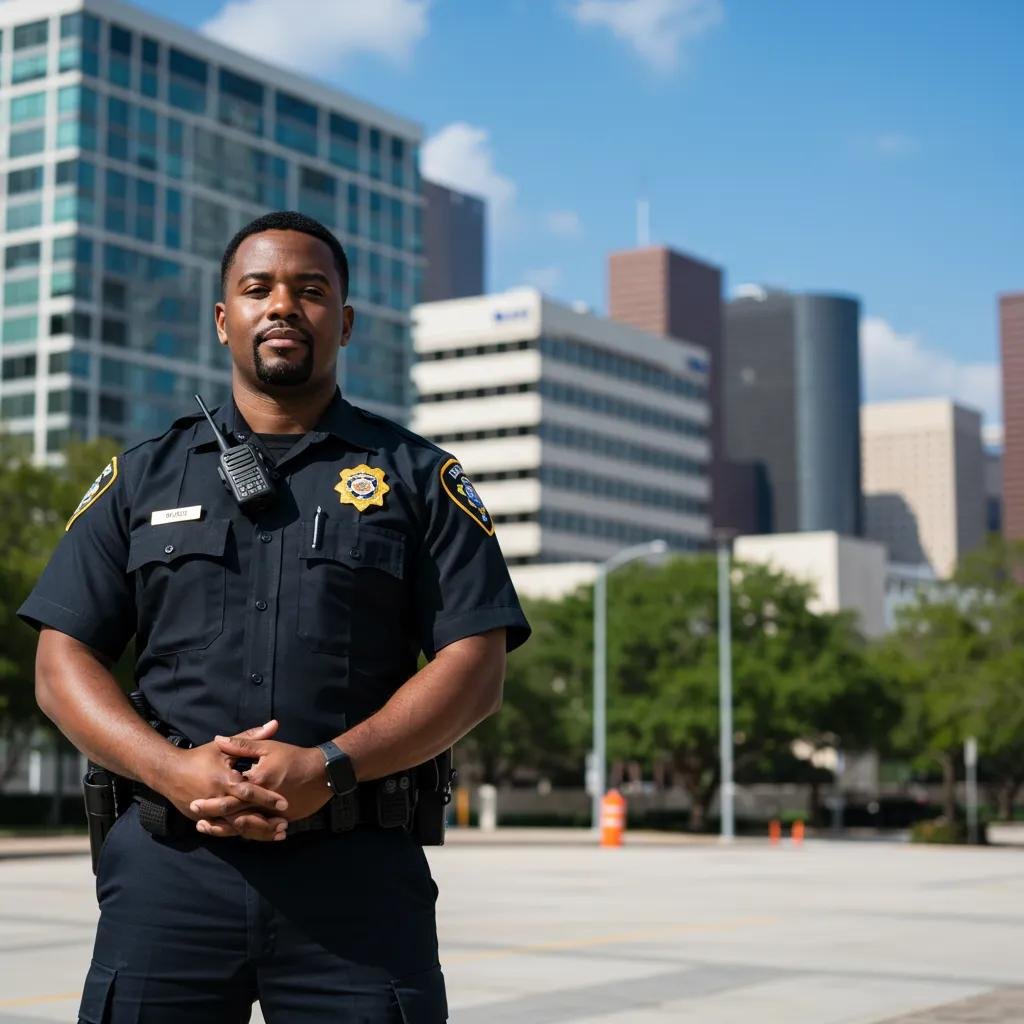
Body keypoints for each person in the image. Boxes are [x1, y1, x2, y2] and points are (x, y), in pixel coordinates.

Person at [18, 210, 530, 1023]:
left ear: (346, 322)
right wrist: (169, 772)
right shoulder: (141, 478)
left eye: (311, 291)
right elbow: (61, 659)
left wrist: (330, 767)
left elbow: (476, 666)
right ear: (225, 321)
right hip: (168, 872)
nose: (283, 306)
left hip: (357, 883)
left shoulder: (418, 478)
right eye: (257, 289)